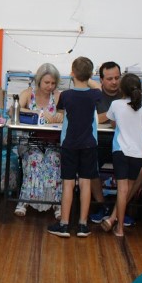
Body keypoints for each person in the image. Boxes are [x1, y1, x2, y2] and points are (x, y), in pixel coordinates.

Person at [47, 56, 102, 238]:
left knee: (68, 184)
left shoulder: (66, 95)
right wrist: (90, 79)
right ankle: (83, 225)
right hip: (89, 144)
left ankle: (64, 224)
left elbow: (60, 111)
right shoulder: (94, 94)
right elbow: (98, 88)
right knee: (85, 183)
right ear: (90, 75)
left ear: (72, 73)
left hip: (69, 144)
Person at [101, 73, 142, 237]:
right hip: (138, 154)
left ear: (121, 89)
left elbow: (113, 123)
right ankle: (116, 223)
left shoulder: (115, 104)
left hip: (120, 151)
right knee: (127, 190)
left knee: (122, 190)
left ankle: (119, 228)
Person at [15, 63, 63, 218]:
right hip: (29, 141)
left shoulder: (58, 96)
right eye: (46, 82)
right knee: (35, 159)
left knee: (54, 159)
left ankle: (56, 203)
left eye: (53, 83)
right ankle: (24, 201)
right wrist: (37, 112)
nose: (50, 86)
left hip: (53, 143)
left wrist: (60, 115)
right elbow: (14, 110)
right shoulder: (28, 93)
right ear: (39, 81)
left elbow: (65, 113)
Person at [89, 62, 126, 225]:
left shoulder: (127, 93)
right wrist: (113, 113)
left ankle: (122, 208)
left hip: (124, 145)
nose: (114, 82)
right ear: (101, 80)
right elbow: (93, 118)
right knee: (89, 164)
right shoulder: (94, 95)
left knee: (141, 169)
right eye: (110, 79)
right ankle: (102, 205)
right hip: (100, 142)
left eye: (117, 78)